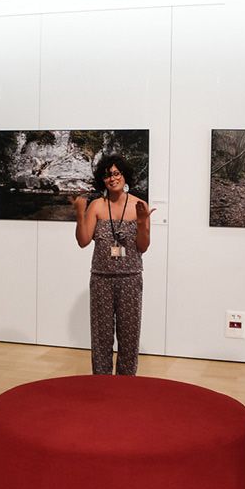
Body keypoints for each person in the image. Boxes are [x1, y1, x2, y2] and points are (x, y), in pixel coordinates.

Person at [70, 154, 154, 375]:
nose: (112, 178)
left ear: (124, 175)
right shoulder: (97, 205)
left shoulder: (139, 205)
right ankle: (102, 386)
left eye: (116, 173)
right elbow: (83, 241)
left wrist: (143, 223)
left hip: (130, 278)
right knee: (101, 337)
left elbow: (143, 246)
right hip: (101, 278)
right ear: (102, 179)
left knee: (129, 336)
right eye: (107, 175)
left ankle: (126, 387)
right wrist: (80, 215)